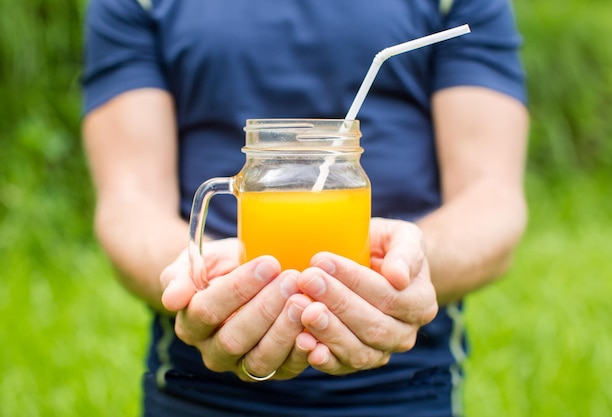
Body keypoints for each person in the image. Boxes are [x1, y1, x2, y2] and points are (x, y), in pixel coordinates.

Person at [81, 0, 528, 415]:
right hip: (199, 380)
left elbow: (491, 196)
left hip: (405, 378)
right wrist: (204, 285)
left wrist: (407, 269)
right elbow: (129, 198)